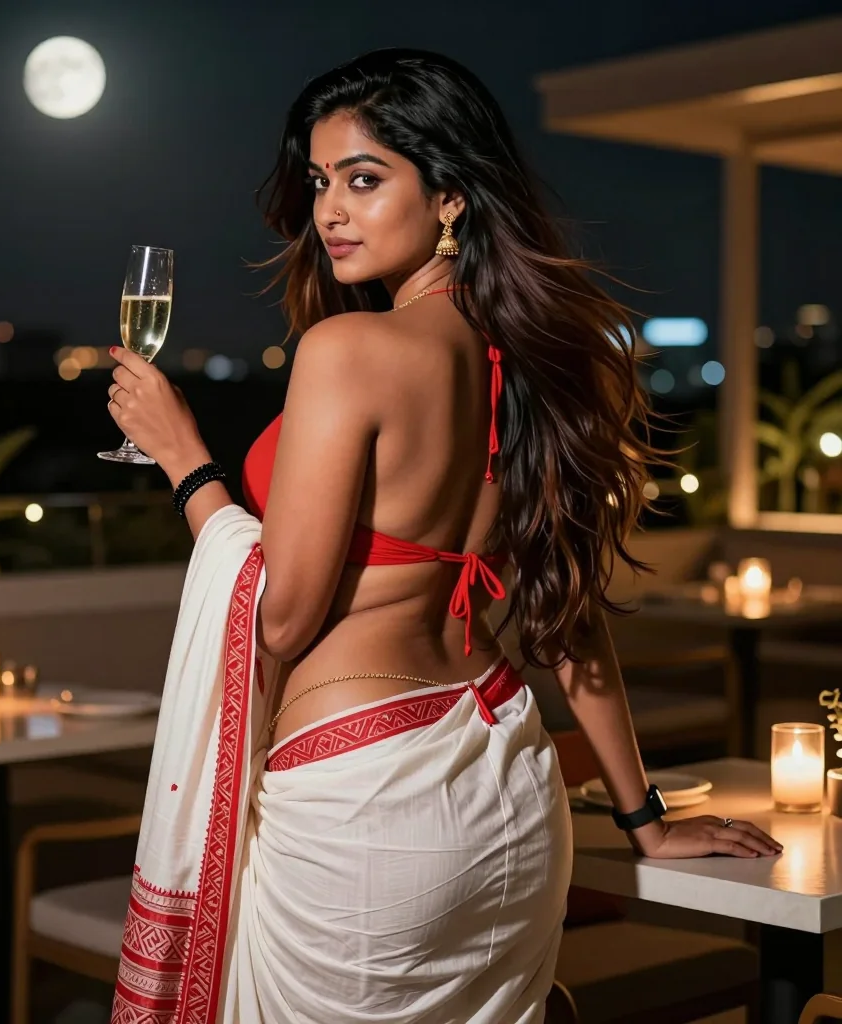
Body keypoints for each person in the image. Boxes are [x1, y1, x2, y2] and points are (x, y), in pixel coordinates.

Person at [105, 48, 780, 1024]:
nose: (329, 210)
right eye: (319, 182)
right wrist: (646, 823)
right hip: (506, 771)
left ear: (451, 195)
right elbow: (568, 622)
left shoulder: (347, 350)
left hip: (364, 801)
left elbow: (285, 614)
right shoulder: (554, 367)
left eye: (364, 179)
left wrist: (186, 463)